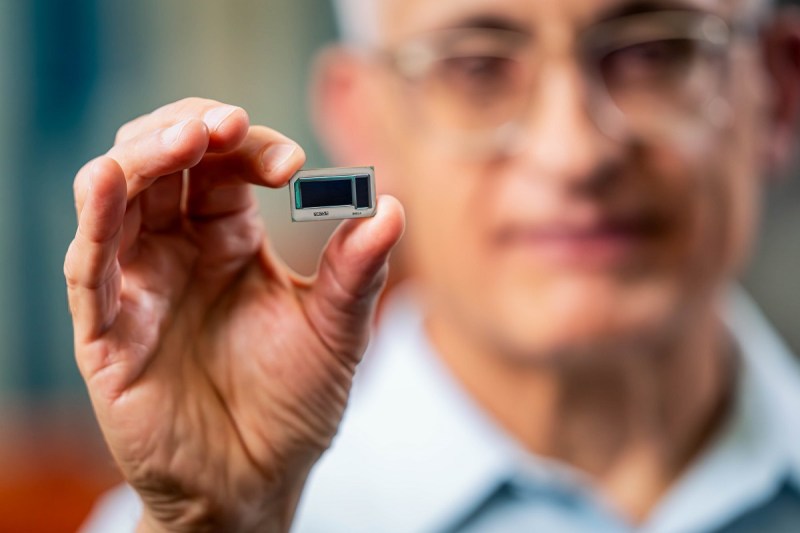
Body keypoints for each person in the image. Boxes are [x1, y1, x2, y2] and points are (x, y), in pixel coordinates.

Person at [66, 0, 800, 531]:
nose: (574, 153)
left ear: (780, 87)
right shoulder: (205, 514)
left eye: (653, 52)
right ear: (360, 120)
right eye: (476, 66)